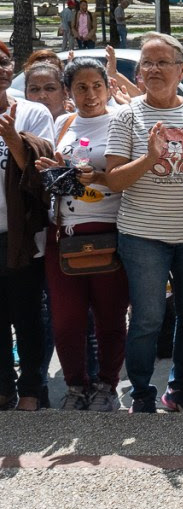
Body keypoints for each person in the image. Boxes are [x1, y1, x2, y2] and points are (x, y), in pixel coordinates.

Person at [105, 32, 183, 413]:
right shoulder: (127, 116)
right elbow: (114, 180)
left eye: (163, 62)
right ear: (139, 73)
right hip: (143, 236)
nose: (153, 69)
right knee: (147, 318)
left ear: (182, 70)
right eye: (147, 63)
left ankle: (179, 389)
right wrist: (149, 158)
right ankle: (142, 392)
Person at [36, 58, 128, 412]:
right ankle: (76, 385)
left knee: (110, 316)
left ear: (107, 87)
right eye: (80, 87)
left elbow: (126, 175)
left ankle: (107, 384)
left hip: (110, 232)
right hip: (63, 234)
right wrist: (54, 171)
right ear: (68, 91)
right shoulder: (64, 122)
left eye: (96, 86)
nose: (90, 95)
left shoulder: (122, 120)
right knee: (66, 318)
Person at [0, 41, 55, 411]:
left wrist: (12, 138)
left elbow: (38, 169)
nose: (0, 69)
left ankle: (33, 388)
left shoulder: (32, 112)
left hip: (20, 235)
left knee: (27, 312)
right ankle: (3, 386)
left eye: (3, 62)